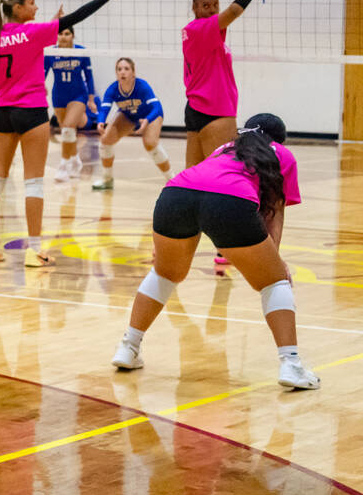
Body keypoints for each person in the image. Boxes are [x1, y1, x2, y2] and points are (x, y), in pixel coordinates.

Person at [111, 113, 319, 390]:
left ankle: (128, 347)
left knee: (164, 274)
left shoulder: (226, 148)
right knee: (274, 282)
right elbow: (274, 212)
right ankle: (291, 365)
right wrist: (274, 262)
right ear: (279, 139)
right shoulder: (282, 154)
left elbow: (201, 187)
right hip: (229, 200)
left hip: (175, 195)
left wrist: (161, 246)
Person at [0, 0, 136, 267]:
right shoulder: (35, 33)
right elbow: (80, 14)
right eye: (32, 4)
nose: (36, 8)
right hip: (31, 112)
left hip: (0, 112)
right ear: (18, 9)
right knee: (33, 183)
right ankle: (35, 251)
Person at [184, 0, 277, 267]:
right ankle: (227, 247)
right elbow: (236, 11)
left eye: (215, 5)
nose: (212, 10)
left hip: (197, 111)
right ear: (195, 8)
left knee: (192, 182)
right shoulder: (200, 29)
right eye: (206, 6)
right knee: (225, 179)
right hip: (215, 112)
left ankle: (181, 245)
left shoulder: (204, 32)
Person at [92, 57, 170, 190]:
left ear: (133, 73)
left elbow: (156, 107)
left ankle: (172, 180)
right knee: (105, 141)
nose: (122, 72)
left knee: (150, 143)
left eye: (126, 69)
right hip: (129, 115)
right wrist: (100, 122)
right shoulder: (113, 89)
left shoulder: (142, 86)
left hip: (150, 115)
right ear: (116, 73)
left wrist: (147, 120)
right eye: (119, 69)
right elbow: (104, 109)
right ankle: (107, 180)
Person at [44, 26, 96, 182]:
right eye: (60, 33)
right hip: (59, 96)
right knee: (68, 131)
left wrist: (91, 99)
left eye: (67, 33)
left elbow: (89, 76)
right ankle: (75, 160)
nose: (63, 37)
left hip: (78, 95)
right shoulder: (51, 53)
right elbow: (42, 73)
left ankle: (63, 166)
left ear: (73, 36)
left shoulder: (81, 51)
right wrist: (40, 86)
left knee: (67, 128)